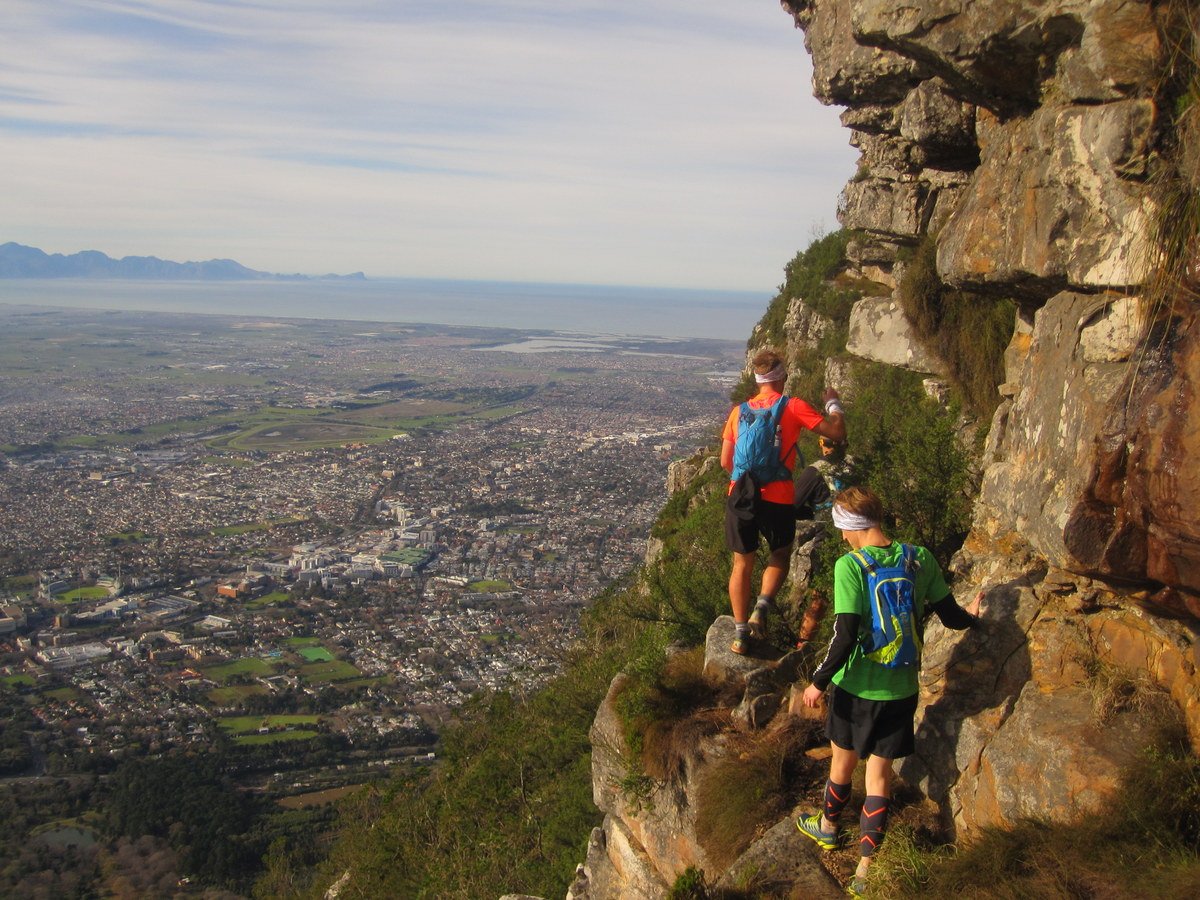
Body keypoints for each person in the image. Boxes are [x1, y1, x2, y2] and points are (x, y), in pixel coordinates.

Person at [795, 486, 981, 897]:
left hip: (856, 688)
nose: (842, 536)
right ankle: (864, 872)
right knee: (878, 776)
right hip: (901, 688)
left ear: (849, 527)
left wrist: (817, 682)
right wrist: (975, 618)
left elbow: (843, 636)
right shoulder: (918, 558)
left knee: (842, 764)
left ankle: (827, 828)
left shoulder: (851, 566)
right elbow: (950, 616)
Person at [720, 348, 846, 655]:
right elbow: (836, 433)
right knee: (780, 552)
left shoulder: (739, 412)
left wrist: (746, 482)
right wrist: (833, 402)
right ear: (783, 377)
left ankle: (739, 635)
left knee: (741, 564)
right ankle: (761, 608)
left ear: (757, 378)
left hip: (740, 494)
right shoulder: (792, 406)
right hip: (777, 494)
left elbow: (726, 461)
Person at [794, 435, 854, 521]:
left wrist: (811, 514)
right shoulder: (855, 462)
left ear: (822, 443)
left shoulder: (813, 471)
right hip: (859, 520)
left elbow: (792, 507)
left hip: (829, 527)